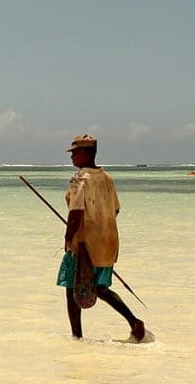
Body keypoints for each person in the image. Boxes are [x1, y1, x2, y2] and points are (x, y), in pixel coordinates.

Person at [59, 135, 146, 341]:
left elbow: (76, 212)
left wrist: (69, 237)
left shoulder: (79, 178)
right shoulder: (107, 178)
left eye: (75, 152)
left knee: (72, 286)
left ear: (86, 153)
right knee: (98, 287)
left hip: (84, 245)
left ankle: (76, 337)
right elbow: (115, 210)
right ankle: (134, 321)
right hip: (108, 244)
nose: (72, 157)